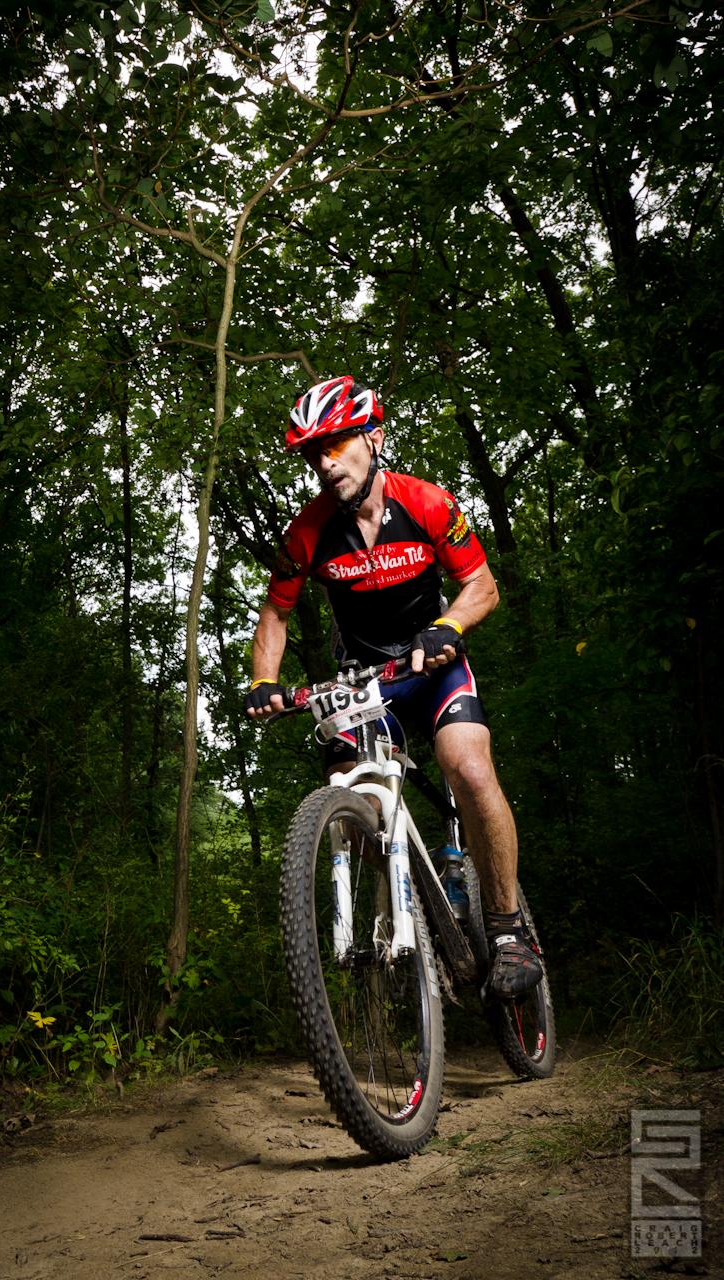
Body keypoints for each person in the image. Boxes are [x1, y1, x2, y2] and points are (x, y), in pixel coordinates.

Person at [243, 376, 542, 1000]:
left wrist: (448, 627)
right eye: (312, 453)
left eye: (336, 443)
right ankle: (404, 927)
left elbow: (482, 585)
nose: (324, 463)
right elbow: (274, 614)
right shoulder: (307, 534)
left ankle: (509, 929)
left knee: (468, 766)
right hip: (359, 678)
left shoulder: (429, 503)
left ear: (373, 437)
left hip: (431, 667)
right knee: (347, 798)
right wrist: (264, 681)